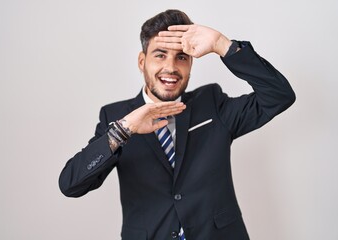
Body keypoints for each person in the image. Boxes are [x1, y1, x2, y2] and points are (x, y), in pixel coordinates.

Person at [59, 9, 295, 240]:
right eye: (160, 55)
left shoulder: (211, 103)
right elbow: (71, 185)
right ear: (142, 62)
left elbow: (279, 96)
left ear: (191, 63)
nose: (171, 67)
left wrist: (222, 44)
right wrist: (122, 130)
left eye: (181, 57)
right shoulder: (116, 116)